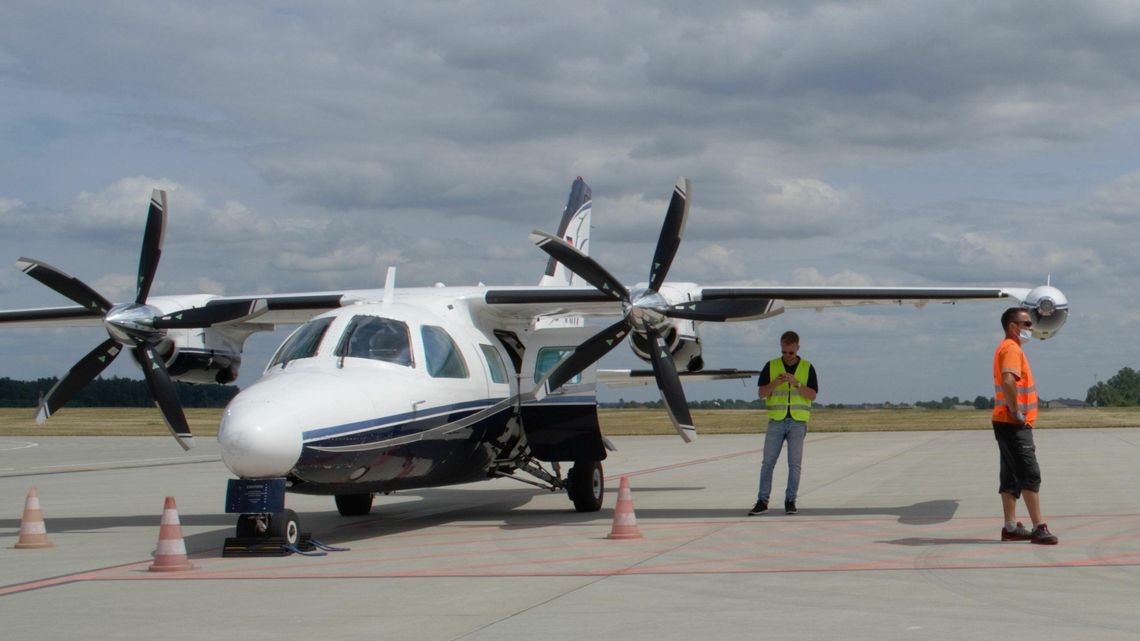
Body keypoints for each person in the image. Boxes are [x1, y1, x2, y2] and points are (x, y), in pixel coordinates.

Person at [992, 307, 1058, 544]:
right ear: (1013, 327)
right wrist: (1016, 411)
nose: (1031, 328)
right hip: (1013, 423)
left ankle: (1010, 527)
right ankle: (1039, 527)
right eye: (1027, 324)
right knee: (1029, 474)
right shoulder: (1011, 349)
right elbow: (1009, 379)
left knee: (1010, 474)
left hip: (1004, 422)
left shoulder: (1007, 348)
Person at [749, 331, 818, 516]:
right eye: (784, 351)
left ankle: (790, 500)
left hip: (797, 422)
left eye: (791, 352)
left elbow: (812, 395)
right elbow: (761, 393)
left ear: (797, 348)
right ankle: (762, 501)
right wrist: (774, 383)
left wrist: (796, 383)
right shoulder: (771, 366)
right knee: (768, 462)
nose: (787, 356)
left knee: (794, 464)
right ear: (781, 347)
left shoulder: (807, 367)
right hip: (776, 421)